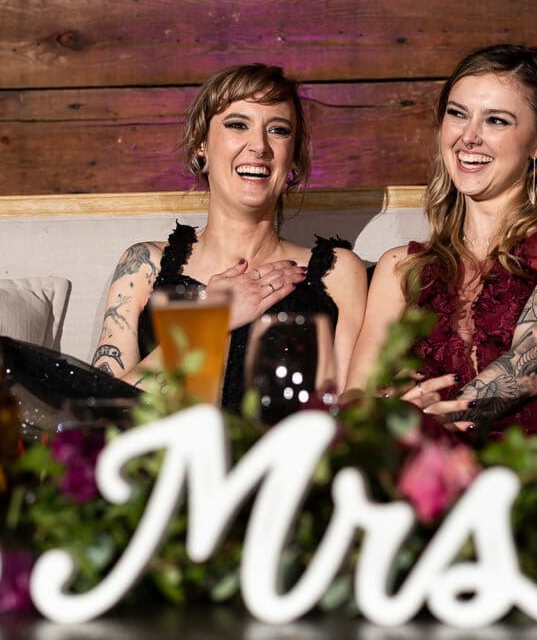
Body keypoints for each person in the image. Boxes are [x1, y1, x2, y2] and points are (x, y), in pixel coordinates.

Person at [345, 44, 537, 438]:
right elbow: (355, 395)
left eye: (496, 121)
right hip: (421, 457)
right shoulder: (401, 267)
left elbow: (530, 365)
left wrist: (431, 419)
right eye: (457, 114)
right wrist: (388, 403)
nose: (468, 137)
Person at [92, 63, 367, 412]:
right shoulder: (144, 266)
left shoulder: (337, 272)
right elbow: (98, 414)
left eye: (278, 130)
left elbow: (346, 416)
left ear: (294, 158)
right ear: (200, 146)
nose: (259, 146)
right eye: (238, 124)